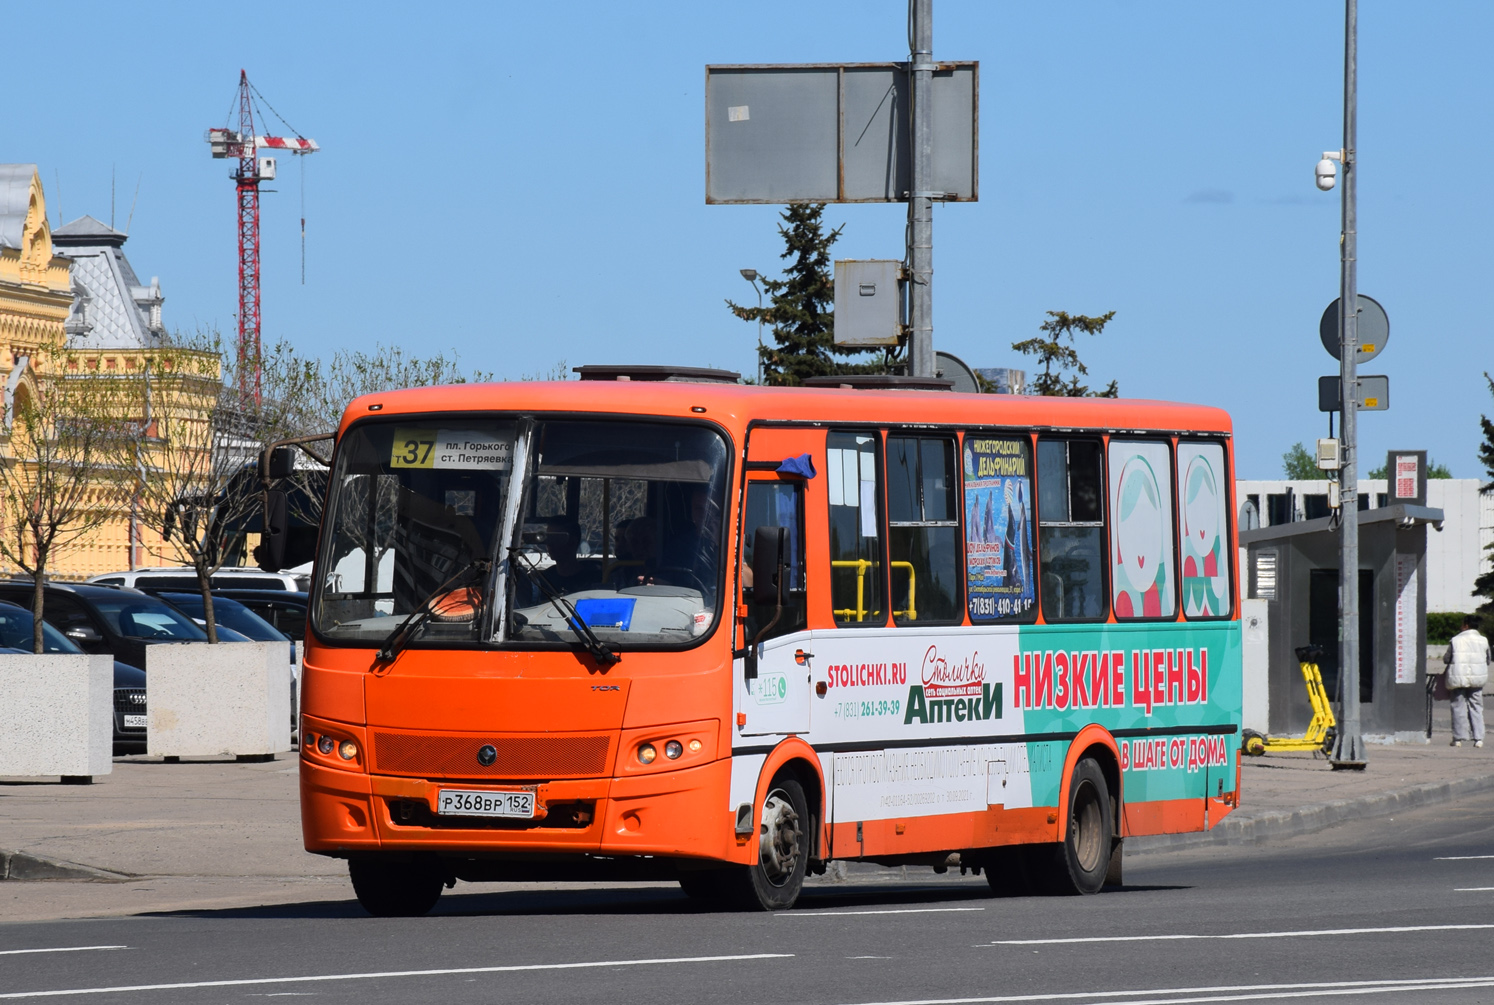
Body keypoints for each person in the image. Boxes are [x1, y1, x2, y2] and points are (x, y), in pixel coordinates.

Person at [1443, 616, 1490, 748]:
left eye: (1462, 623)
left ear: (1466, 625)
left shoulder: (1456, 640)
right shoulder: (1483, 640)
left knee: (1458, 707)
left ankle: (1458, 738)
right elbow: (1488, 659)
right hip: (1477, 678)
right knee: (1476, 707)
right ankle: (1479, 738)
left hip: (1458, 677)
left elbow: (1447, 659)